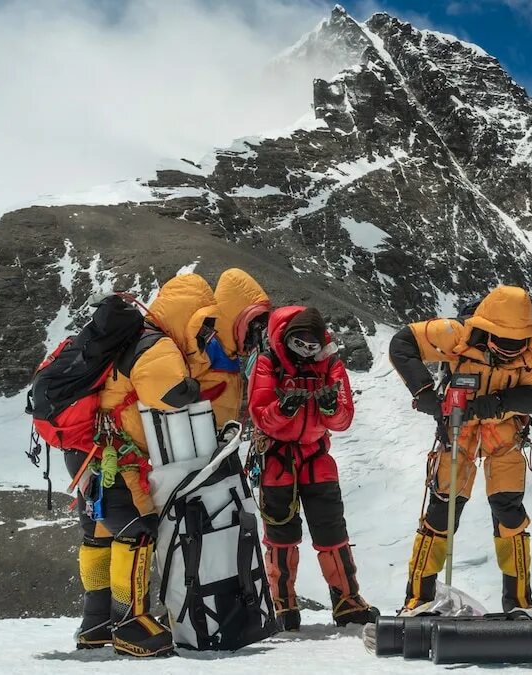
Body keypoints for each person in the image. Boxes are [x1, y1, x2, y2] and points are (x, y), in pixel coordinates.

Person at [71, 274, 219, 657]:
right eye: (203, 323)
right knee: (136, 531)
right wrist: (195, 384)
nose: (206, 332)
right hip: (117, 456)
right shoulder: (158, 345)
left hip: (86, 451)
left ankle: (96, 623)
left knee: (100, 532)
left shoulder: (134, 337)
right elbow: (170, 395)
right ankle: (129, 624)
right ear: (187, 315)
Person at [389, 285, 532, 615]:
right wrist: (423, 391)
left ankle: (520, 604)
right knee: (442, 510)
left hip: (504, 429)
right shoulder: (455, 333)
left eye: (516, 344)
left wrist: (493, 405)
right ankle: (418, 600)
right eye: (503, 343)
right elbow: (402, 343)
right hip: (458, 427)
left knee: (509, 512)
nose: (510, 351)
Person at [247, 306, 378, 629]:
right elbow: (261, 414)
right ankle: (283, 606)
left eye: (312, 345)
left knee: (332, 530)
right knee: (280, 534)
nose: (306, 351)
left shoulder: (330, 364)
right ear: (285, 339)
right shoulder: (268, 362)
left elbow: (343, 420)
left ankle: (347, 601)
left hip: (316, 456)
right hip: (278, 456)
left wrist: (330, 407)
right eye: (299, 344)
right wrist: (284, 408)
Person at [202, 267, 272, 425]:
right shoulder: (208, 347)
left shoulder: (228, 351)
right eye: (254, 325)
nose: (256, 334)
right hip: (202, 441)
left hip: (218, 438)